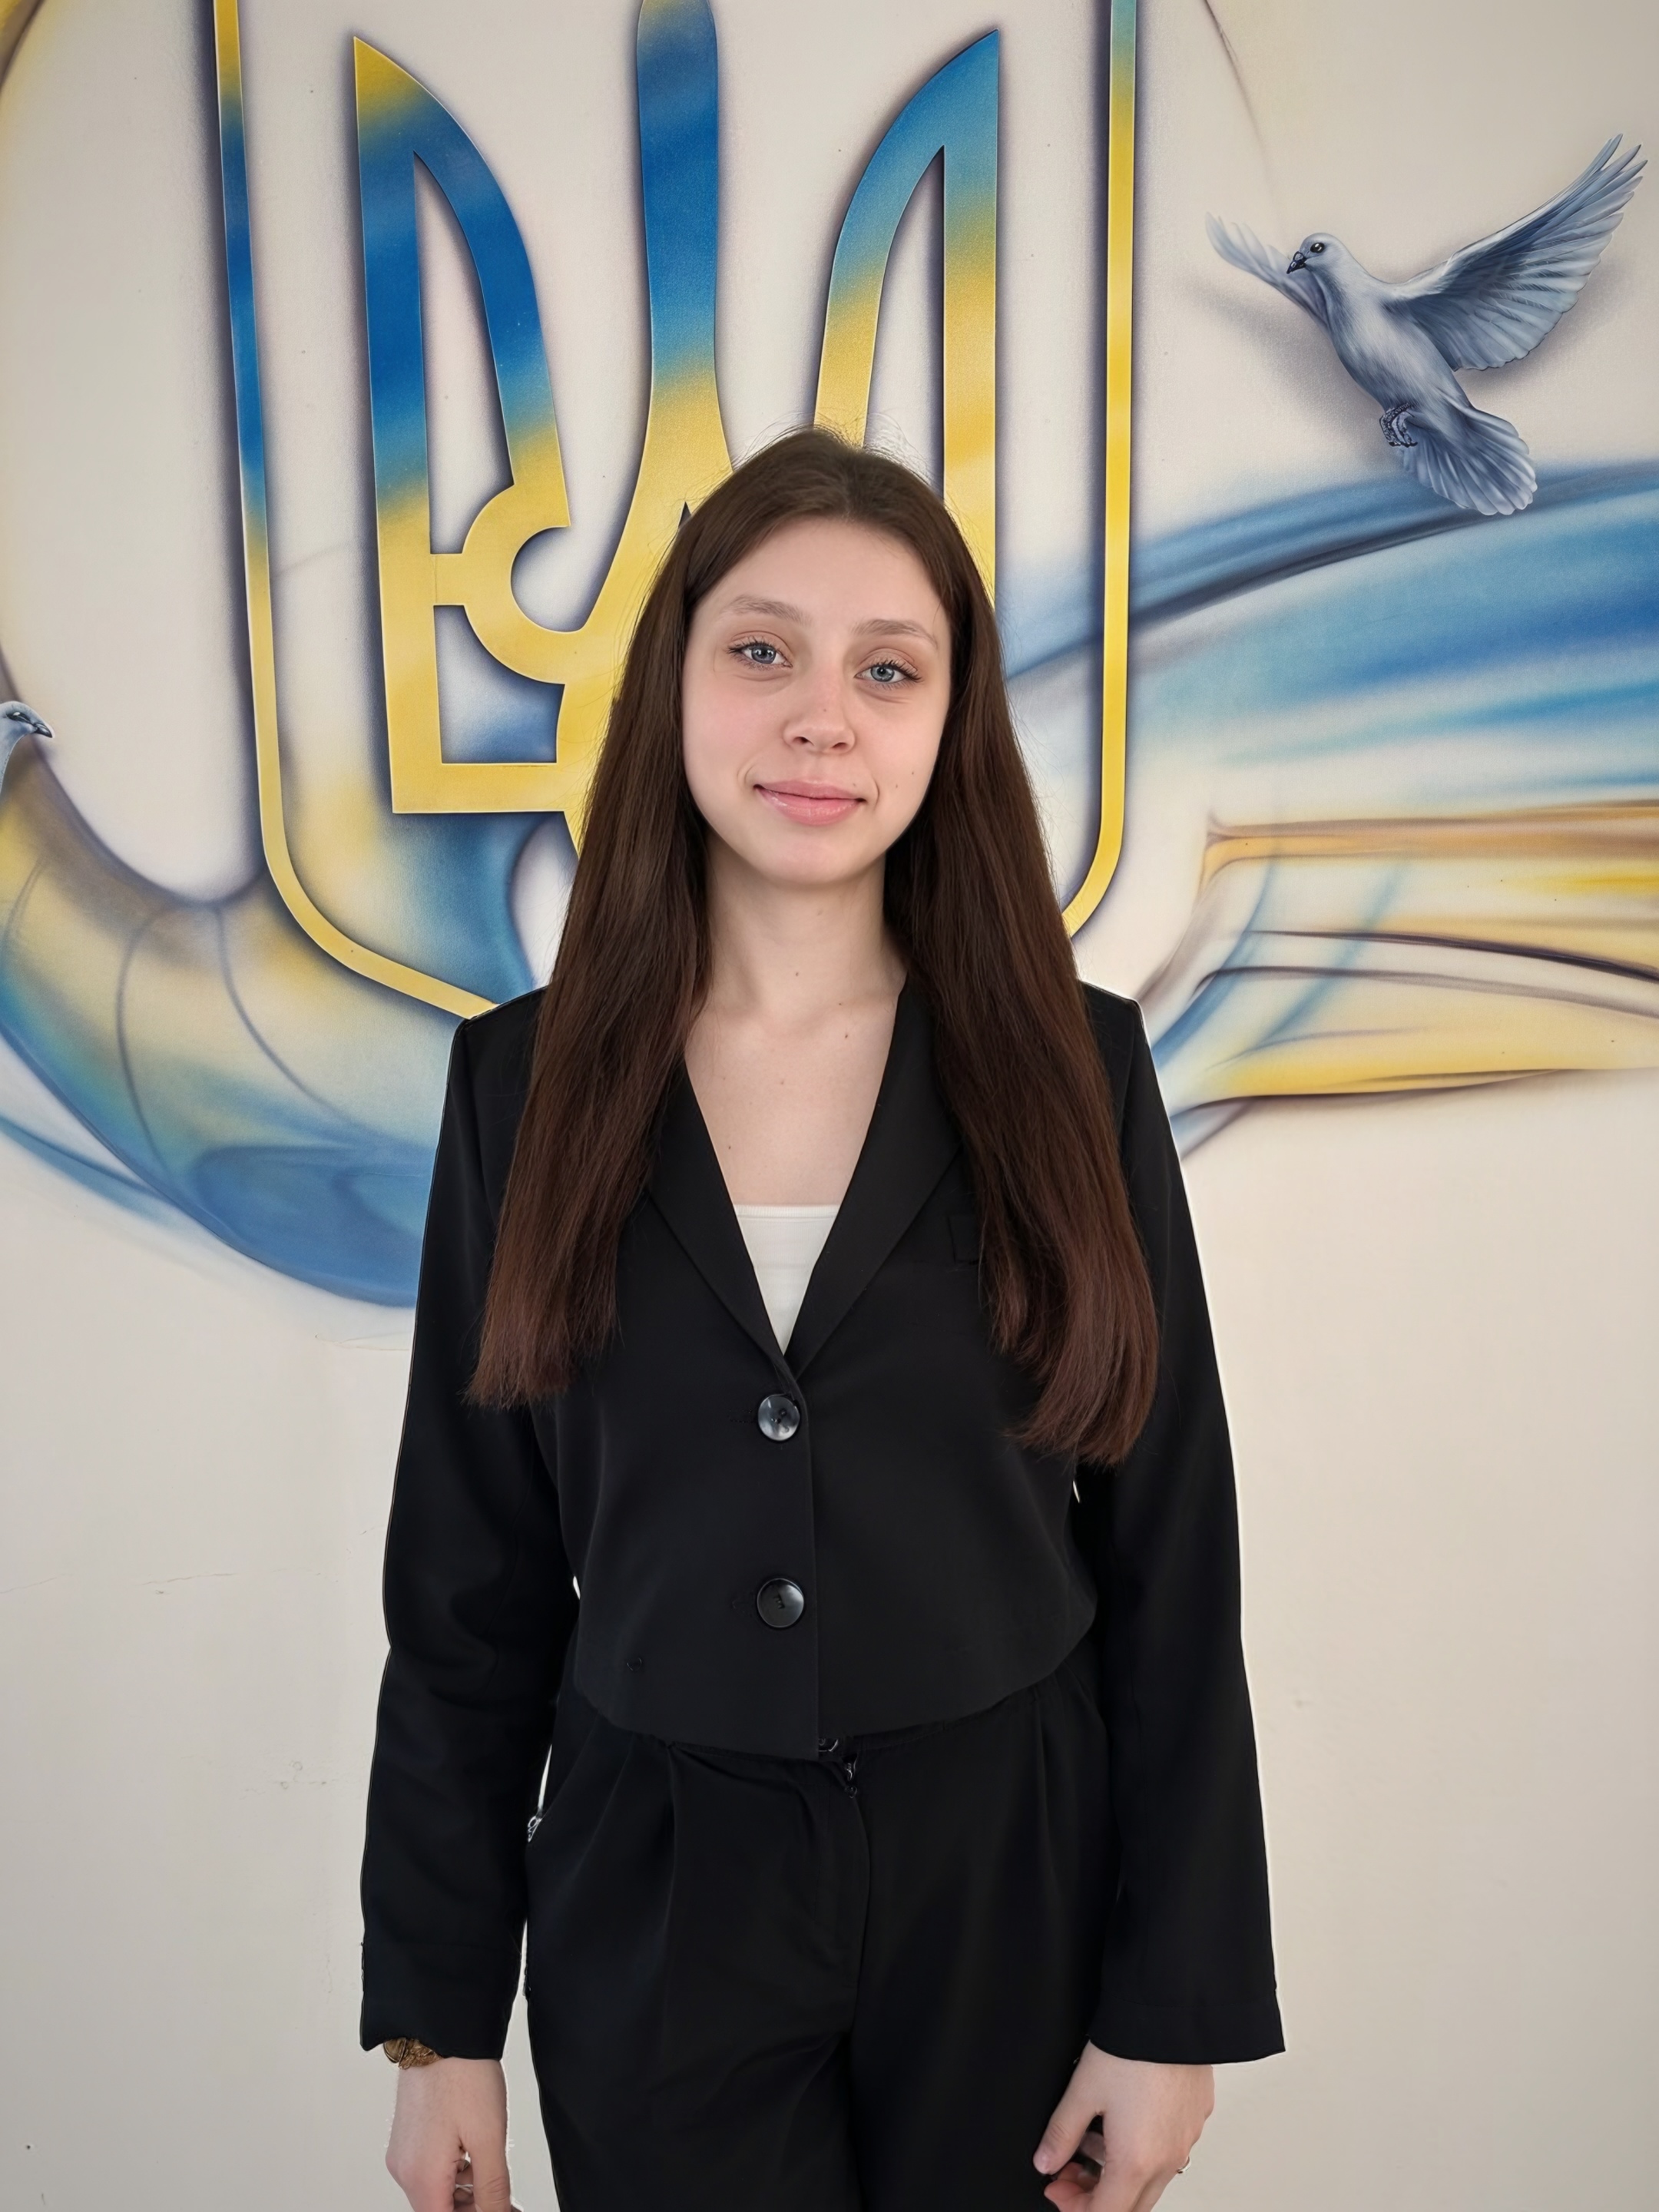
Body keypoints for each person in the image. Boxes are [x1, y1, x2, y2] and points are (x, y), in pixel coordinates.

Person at [360, 428, 1282, 2212]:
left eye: (887, 670)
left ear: (952, 722)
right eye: (763, 651)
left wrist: (1172, 2007)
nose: (820, 720)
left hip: (1012, 1880)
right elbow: (469, 1584)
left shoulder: (1078, 1067)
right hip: (656, 1895)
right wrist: (440, 2023)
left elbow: (1174, 1552)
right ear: (675, 681)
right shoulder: (520, 1088)